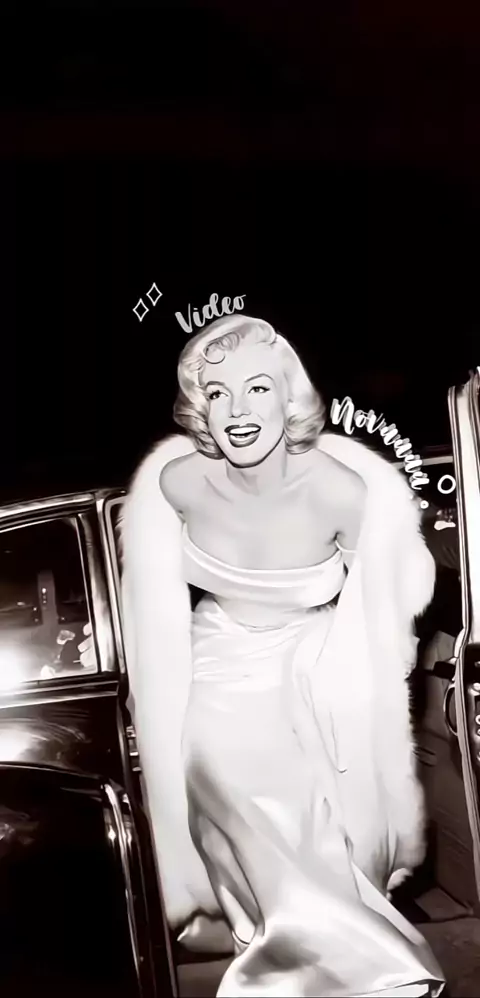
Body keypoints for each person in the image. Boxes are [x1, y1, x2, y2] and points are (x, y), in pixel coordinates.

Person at [121, 315, 445, 998]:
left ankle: (339, 970)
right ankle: (267, 947)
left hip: (308, 666)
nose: (237, 411)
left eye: (257, 388)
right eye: (217, 393)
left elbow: (377, 607)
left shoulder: (340, 492)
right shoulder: (176, 483)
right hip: (212, 667)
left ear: (289, 395)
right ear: (199, 406)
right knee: (226, 808)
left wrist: (362, 696)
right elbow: (150, 599)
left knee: (310, 833)